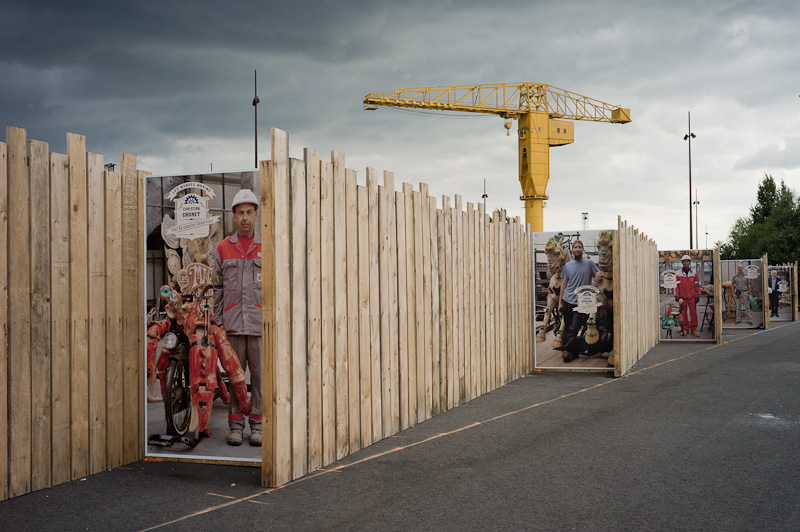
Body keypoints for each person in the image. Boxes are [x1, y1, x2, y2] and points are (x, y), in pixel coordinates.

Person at [212, 189, 263, 446]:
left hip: (259, 325)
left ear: (255, 215)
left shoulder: (267, 247)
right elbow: (217, 288)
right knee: (235, 378)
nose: (245, 217)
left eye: (249, 212)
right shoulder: (223, 248)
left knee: (260, 377)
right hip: (232, 325)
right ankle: (235, 426)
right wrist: (219, 321)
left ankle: (258, 426)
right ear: (234, 216)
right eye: (240, 213)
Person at [558, 240, 603, 362]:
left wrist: (599, 274)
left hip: (582, 303)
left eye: (579, 247)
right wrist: (560, 302)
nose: (577, 249)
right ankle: (573, 353)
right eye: (575, 247)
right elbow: (564, 284)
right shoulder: (568, 266)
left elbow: (599, 273)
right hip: (567, 300)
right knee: (568, 328)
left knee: (574, 327)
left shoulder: (589, 263)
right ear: (572, 250)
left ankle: (565, 350)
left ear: (583, 249)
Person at [675, 255, 701, 337]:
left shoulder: (694, 273)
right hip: (682, 298)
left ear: (689, 262)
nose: (686, 263)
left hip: (692, 297)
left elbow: (697, 285)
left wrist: (697, 295)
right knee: (683, 314)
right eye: (684, 261)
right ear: (682, 263)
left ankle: (693, 329)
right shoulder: (678, 274)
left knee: (693, 313)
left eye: (687, 261)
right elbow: (676, 286)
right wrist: (676, 295)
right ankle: (685, 329)